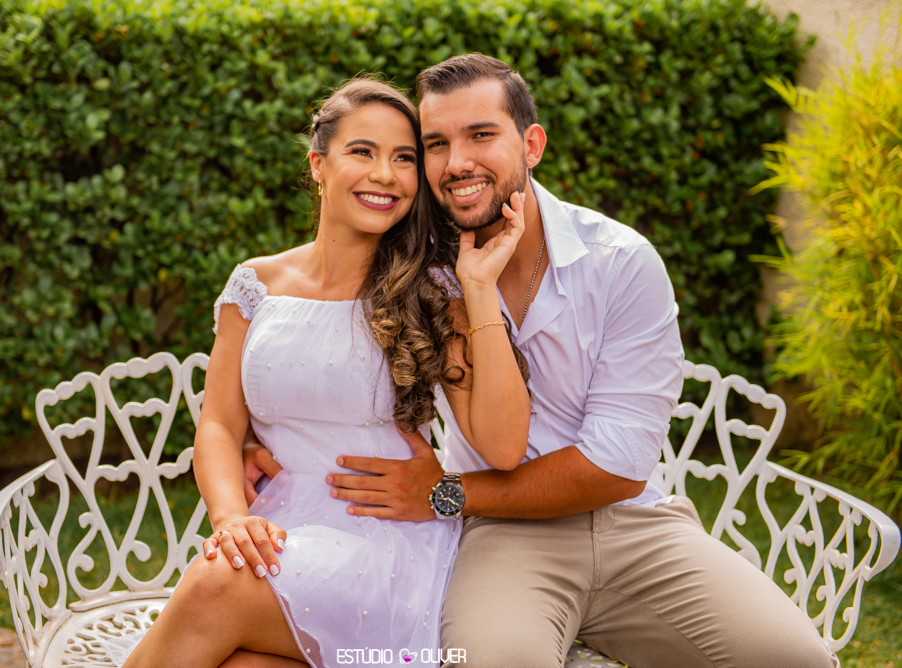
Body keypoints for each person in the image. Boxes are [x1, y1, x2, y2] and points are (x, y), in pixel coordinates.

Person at [245, 55, 839, 667]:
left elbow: (616, 468)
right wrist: (258, 441)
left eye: (481, 135)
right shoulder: (421, 268)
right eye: (436, 144)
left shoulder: (620, 263)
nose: (457, 163)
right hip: (504, 537)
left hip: (633, 525)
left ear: (531, 144)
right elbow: (321, 357)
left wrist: (446, 493)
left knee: (798, 661)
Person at [116, 76, 532, 668]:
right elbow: (217, 427)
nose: (385, 174)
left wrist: (481, 288)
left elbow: (504, 446)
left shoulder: (435, 292)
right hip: (279, 526)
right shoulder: (254, 285)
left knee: (216, 583)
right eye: (362, 152)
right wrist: (230, 517)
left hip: (384, 544)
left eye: (405, 159)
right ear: (318, 164)